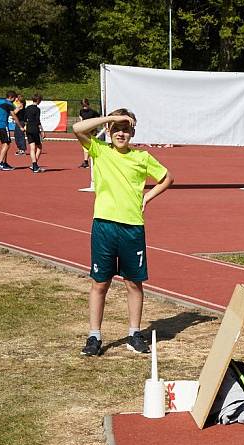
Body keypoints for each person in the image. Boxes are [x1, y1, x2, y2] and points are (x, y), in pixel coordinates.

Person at [72, 108, 174, 356]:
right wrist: (111, 119)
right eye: (116, 129)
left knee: (133, 283)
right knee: (100, 283)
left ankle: (134, 333)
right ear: (108, 131)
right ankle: (94, 336)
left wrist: (147, 197)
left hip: (132, 227)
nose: (120, 133)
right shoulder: (99, 150)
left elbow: (167, 177)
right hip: (104, 226)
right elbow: (77, 129)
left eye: (125, 129)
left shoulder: (142, 157)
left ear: (133, 133)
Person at [0, 90, 21, 171]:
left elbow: (9, 113)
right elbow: (13, 115)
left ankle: (4, 163)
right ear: (11, 97)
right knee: (7, 144)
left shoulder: (1, 103)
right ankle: (0, 163)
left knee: (5, 144)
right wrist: (20, 126)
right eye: (14, 98)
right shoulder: (9, 104)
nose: (14, 100)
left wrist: (18, 108)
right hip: (3, 125)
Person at [21, 94, 45, 173]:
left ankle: (34, 165)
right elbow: (38, 121)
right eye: (40, 100)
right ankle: (34, 165)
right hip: (34, 129)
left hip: (28, 129)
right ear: (38, 100)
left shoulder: (27, 108)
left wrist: (24, 126)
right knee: (39, 147)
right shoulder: (37, 109)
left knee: (32, 148)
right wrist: (42, 131)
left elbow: (24, 119)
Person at [78, 98, 100, 168]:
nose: (84, 107)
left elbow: (98, 117)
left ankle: (90, 161)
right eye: (83, 105)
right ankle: (86, 161)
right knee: (85, 146)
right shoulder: (81, 111)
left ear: (88, 104)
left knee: (91, 145)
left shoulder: (92, 112)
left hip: (92, 131)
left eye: (85, 105)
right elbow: (81, 117)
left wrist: (94, 126)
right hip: (84, 130)